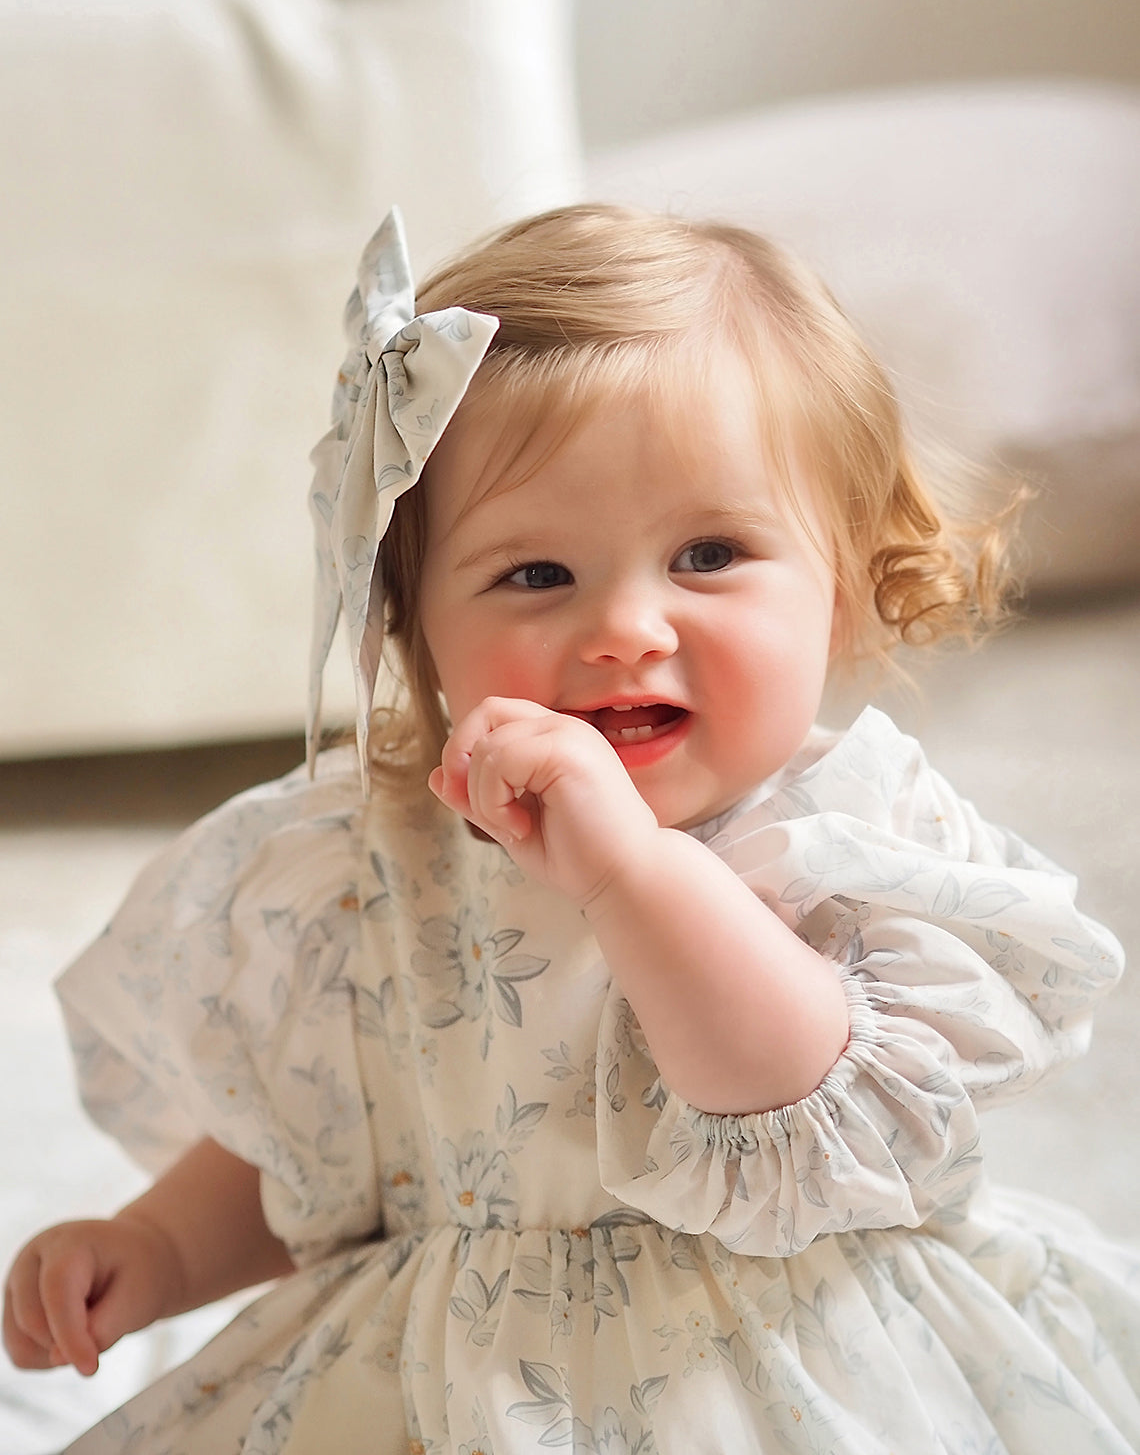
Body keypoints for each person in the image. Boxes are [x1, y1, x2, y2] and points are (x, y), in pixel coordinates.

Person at [4, 204, 1138, 1454]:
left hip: (776, 1367)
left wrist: (630, 872)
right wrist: (156, 1247)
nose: (625, 629)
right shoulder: (370, 863)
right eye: (536, 574)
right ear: (411, 624)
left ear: (844, 581)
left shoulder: (844, 838)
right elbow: (334, 1138)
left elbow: (795, 1109)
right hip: (448, 1383)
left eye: (709, 552)